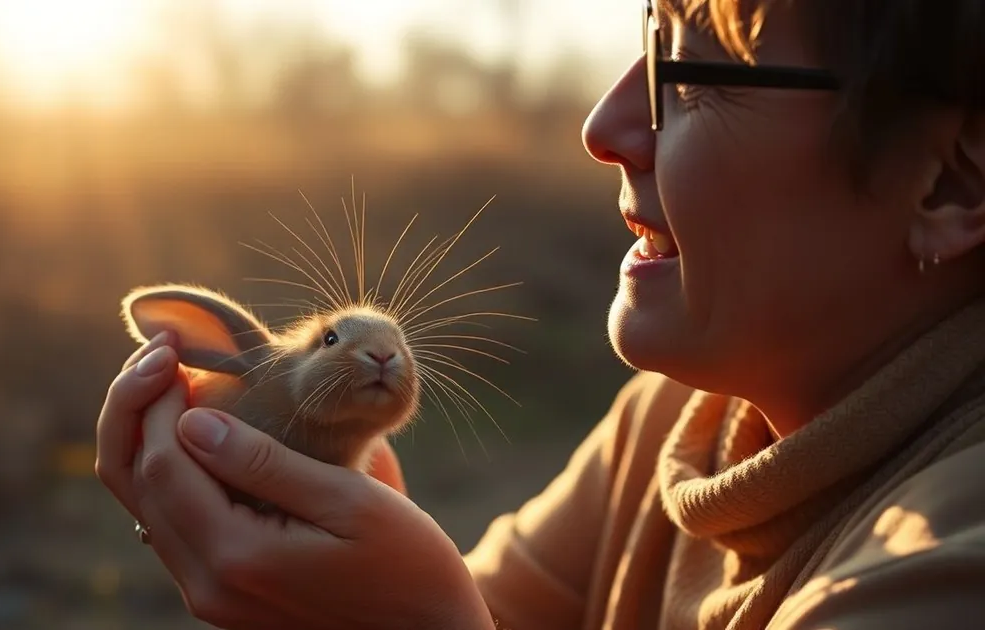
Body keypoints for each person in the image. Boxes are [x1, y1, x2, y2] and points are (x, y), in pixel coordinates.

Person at [94, 0, 985, 627]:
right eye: (650, 27)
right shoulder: (675, 423)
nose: (604, 124)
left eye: (699, 71)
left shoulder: (943, 572)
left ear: (949, 181)